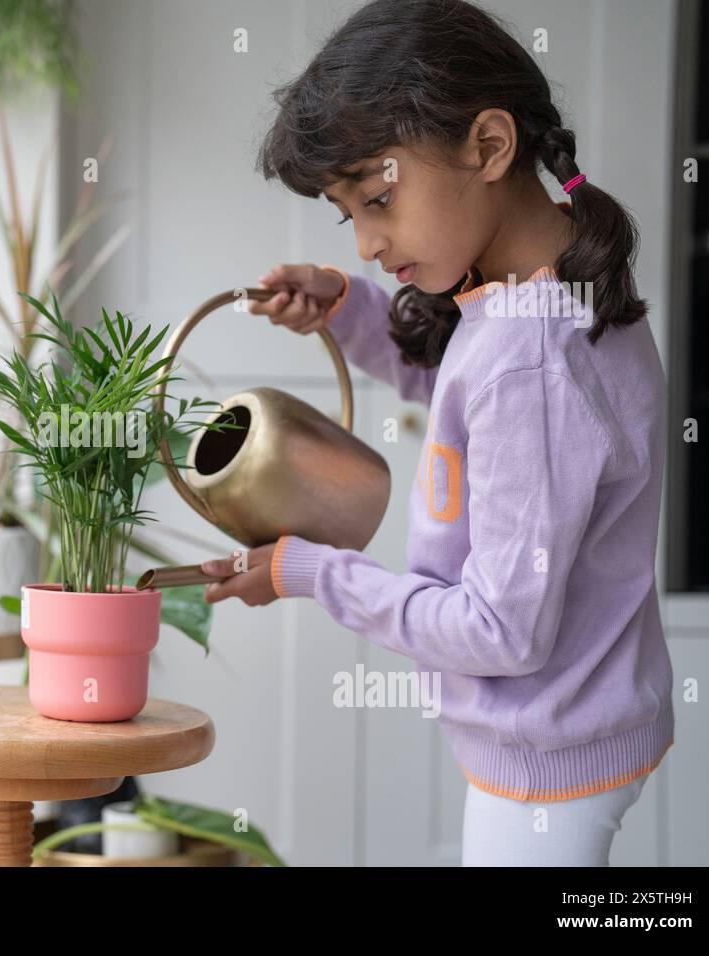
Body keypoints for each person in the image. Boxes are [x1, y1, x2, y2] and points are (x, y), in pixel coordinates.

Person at [200, 0, 673, 866]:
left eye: (379, 198)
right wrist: (348, 312)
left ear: (488, 146)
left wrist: (307, 571)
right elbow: (479, 402)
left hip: (544, 770)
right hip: (568, 737)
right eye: (350, 215)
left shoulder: (529, 355)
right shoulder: (556, 291)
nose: (372, 240)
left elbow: (500, 631)